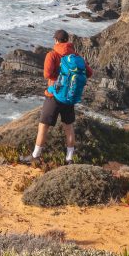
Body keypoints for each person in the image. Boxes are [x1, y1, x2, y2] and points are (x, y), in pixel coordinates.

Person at [30, 29, 92, 163]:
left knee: (43, 126)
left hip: (53, 94)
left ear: (56, 40)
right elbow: (89, 73)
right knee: (68, 127)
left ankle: (35, 156)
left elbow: (47, 74)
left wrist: (59, 79)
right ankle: (69, 159)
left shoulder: (52, 54)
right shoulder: (76, 57)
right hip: (69, 97)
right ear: (67, 40)